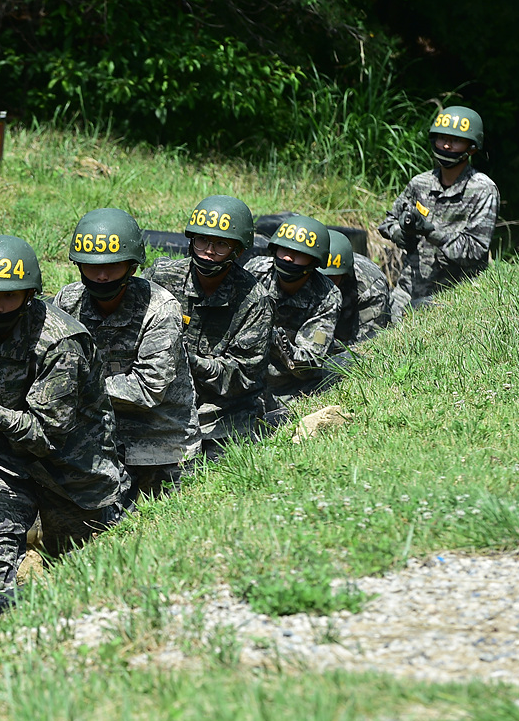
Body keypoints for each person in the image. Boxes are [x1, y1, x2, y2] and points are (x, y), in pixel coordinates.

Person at [0, 235, 125, 615]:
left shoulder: (59, 343)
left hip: (75, 475)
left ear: (29, 296)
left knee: (87, 586)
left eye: (8, 297)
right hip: (7, 467)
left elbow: (46, 435)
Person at [52, 208, 200, 499]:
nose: (102, 276)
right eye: (93, 267)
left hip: (161, 446)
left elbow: (149, 387)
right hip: (93, 442)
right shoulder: (66, 303)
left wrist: (77, 388)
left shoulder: (159, 308)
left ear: (132, 266)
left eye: (113, 266)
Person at [145, 195, 273, 460]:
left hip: (223, 411)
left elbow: (244, 377)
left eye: (221, 244)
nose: (209, 251)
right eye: (202, 240)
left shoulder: (253, 299)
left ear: (237, 251)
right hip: (159, 400)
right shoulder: (162, 277)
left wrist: (190, 361)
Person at [379, 105, 500, 320]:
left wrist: (431, 232)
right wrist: (401, 233)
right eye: (441, 138)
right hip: (407, 292)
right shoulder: (420, 183)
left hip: (455, 299)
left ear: (471, 148)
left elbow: (474, 251)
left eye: (455, 140)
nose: (446, 145)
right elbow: (387, 222)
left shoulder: (483, 190)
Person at [243, 214, 341, 421]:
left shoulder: (326, 295)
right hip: (246, 379)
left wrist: (281, 347)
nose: (288, 258)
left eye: (298, 253)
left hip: (291, 389)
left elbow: (311, 361)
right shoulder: (255, 271)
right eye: (285, 249)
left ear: (314, 261)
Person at [320, 229, 390, 347]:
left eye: (331, 278)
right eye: (319, 277)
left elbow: (367, 346)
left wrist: (320, 344)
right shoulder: (300, 271)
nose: (324, 283)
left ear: (344, 275)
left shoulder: (370, 288)